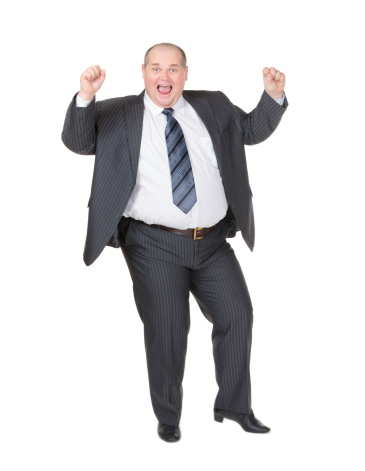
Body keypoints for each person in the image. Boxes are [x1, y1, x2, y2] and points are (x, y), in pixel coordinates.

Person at [61, 42, 288, 443]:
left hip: (213, 241)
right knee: (168, 328)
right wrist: (85, 96)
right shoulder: (116, 113)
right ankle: (168, 415)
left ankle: (235, 406)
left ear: (186, 73)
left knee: (237, 314)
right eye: (156, 68)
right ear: (143, 71)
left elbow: (250, 130)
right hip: (153, 244)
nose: (164, 77)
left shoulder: (213, 105)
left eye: (173, 69)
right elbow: (78, 142)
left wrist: (272, 97)